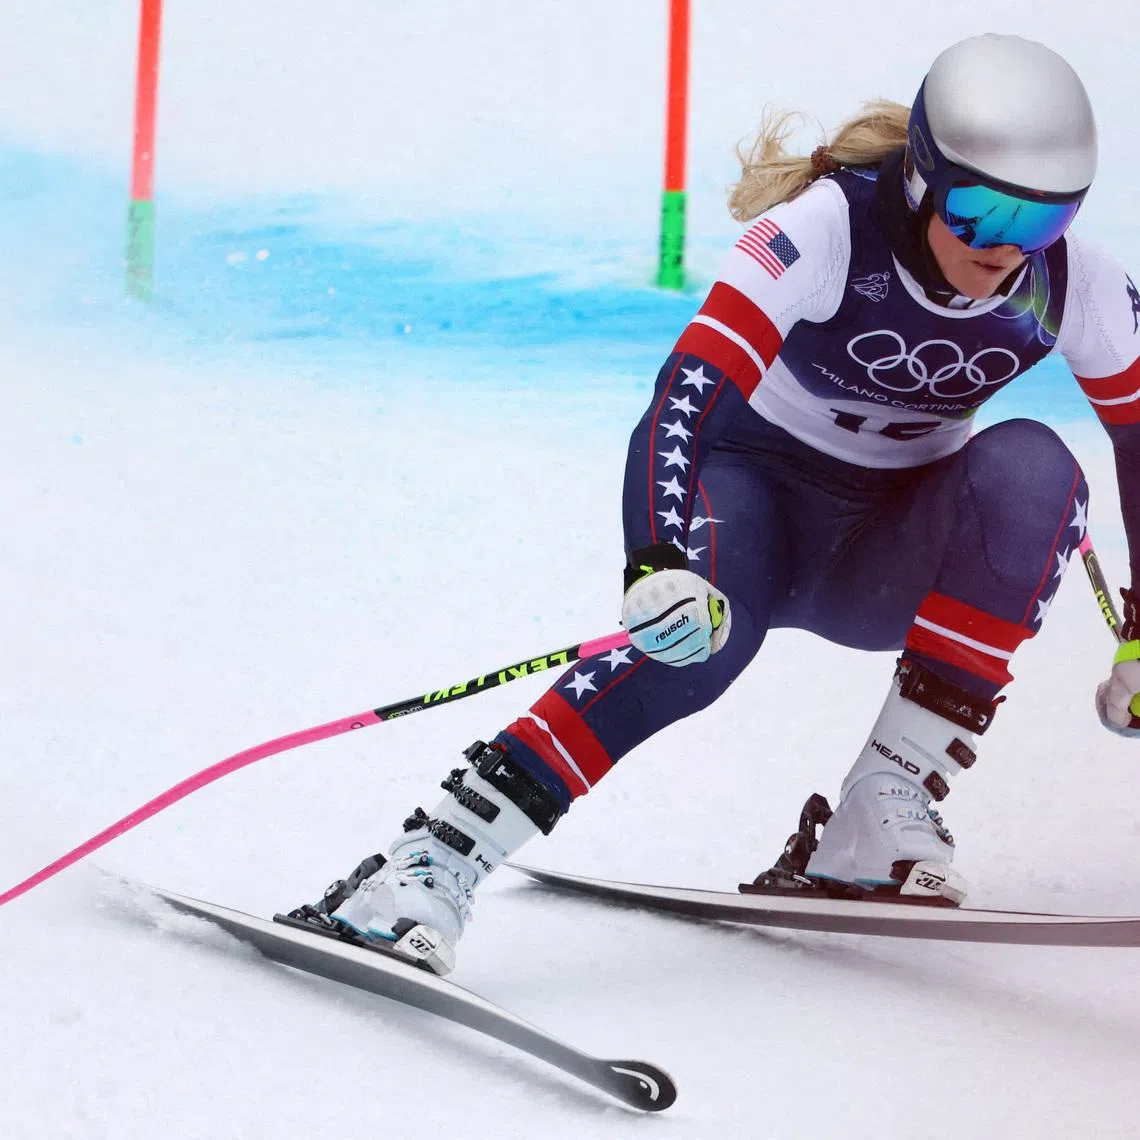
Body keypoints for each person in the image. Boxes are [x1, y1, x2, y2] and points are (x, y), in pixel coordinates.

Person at [292, 33, 1140, 976]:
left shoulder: (1077, 286)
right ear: (922, 181)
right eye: (979, 211)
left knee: (1037, 467)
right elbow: (681, 396)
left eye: (1040, 222)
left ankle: (878, 811)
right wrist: (655, 563)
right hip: (755, 502)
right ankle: (427, 863)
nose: (1003, 251)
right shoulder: (825, 233)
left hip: (886, 555)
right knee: (698, 651)